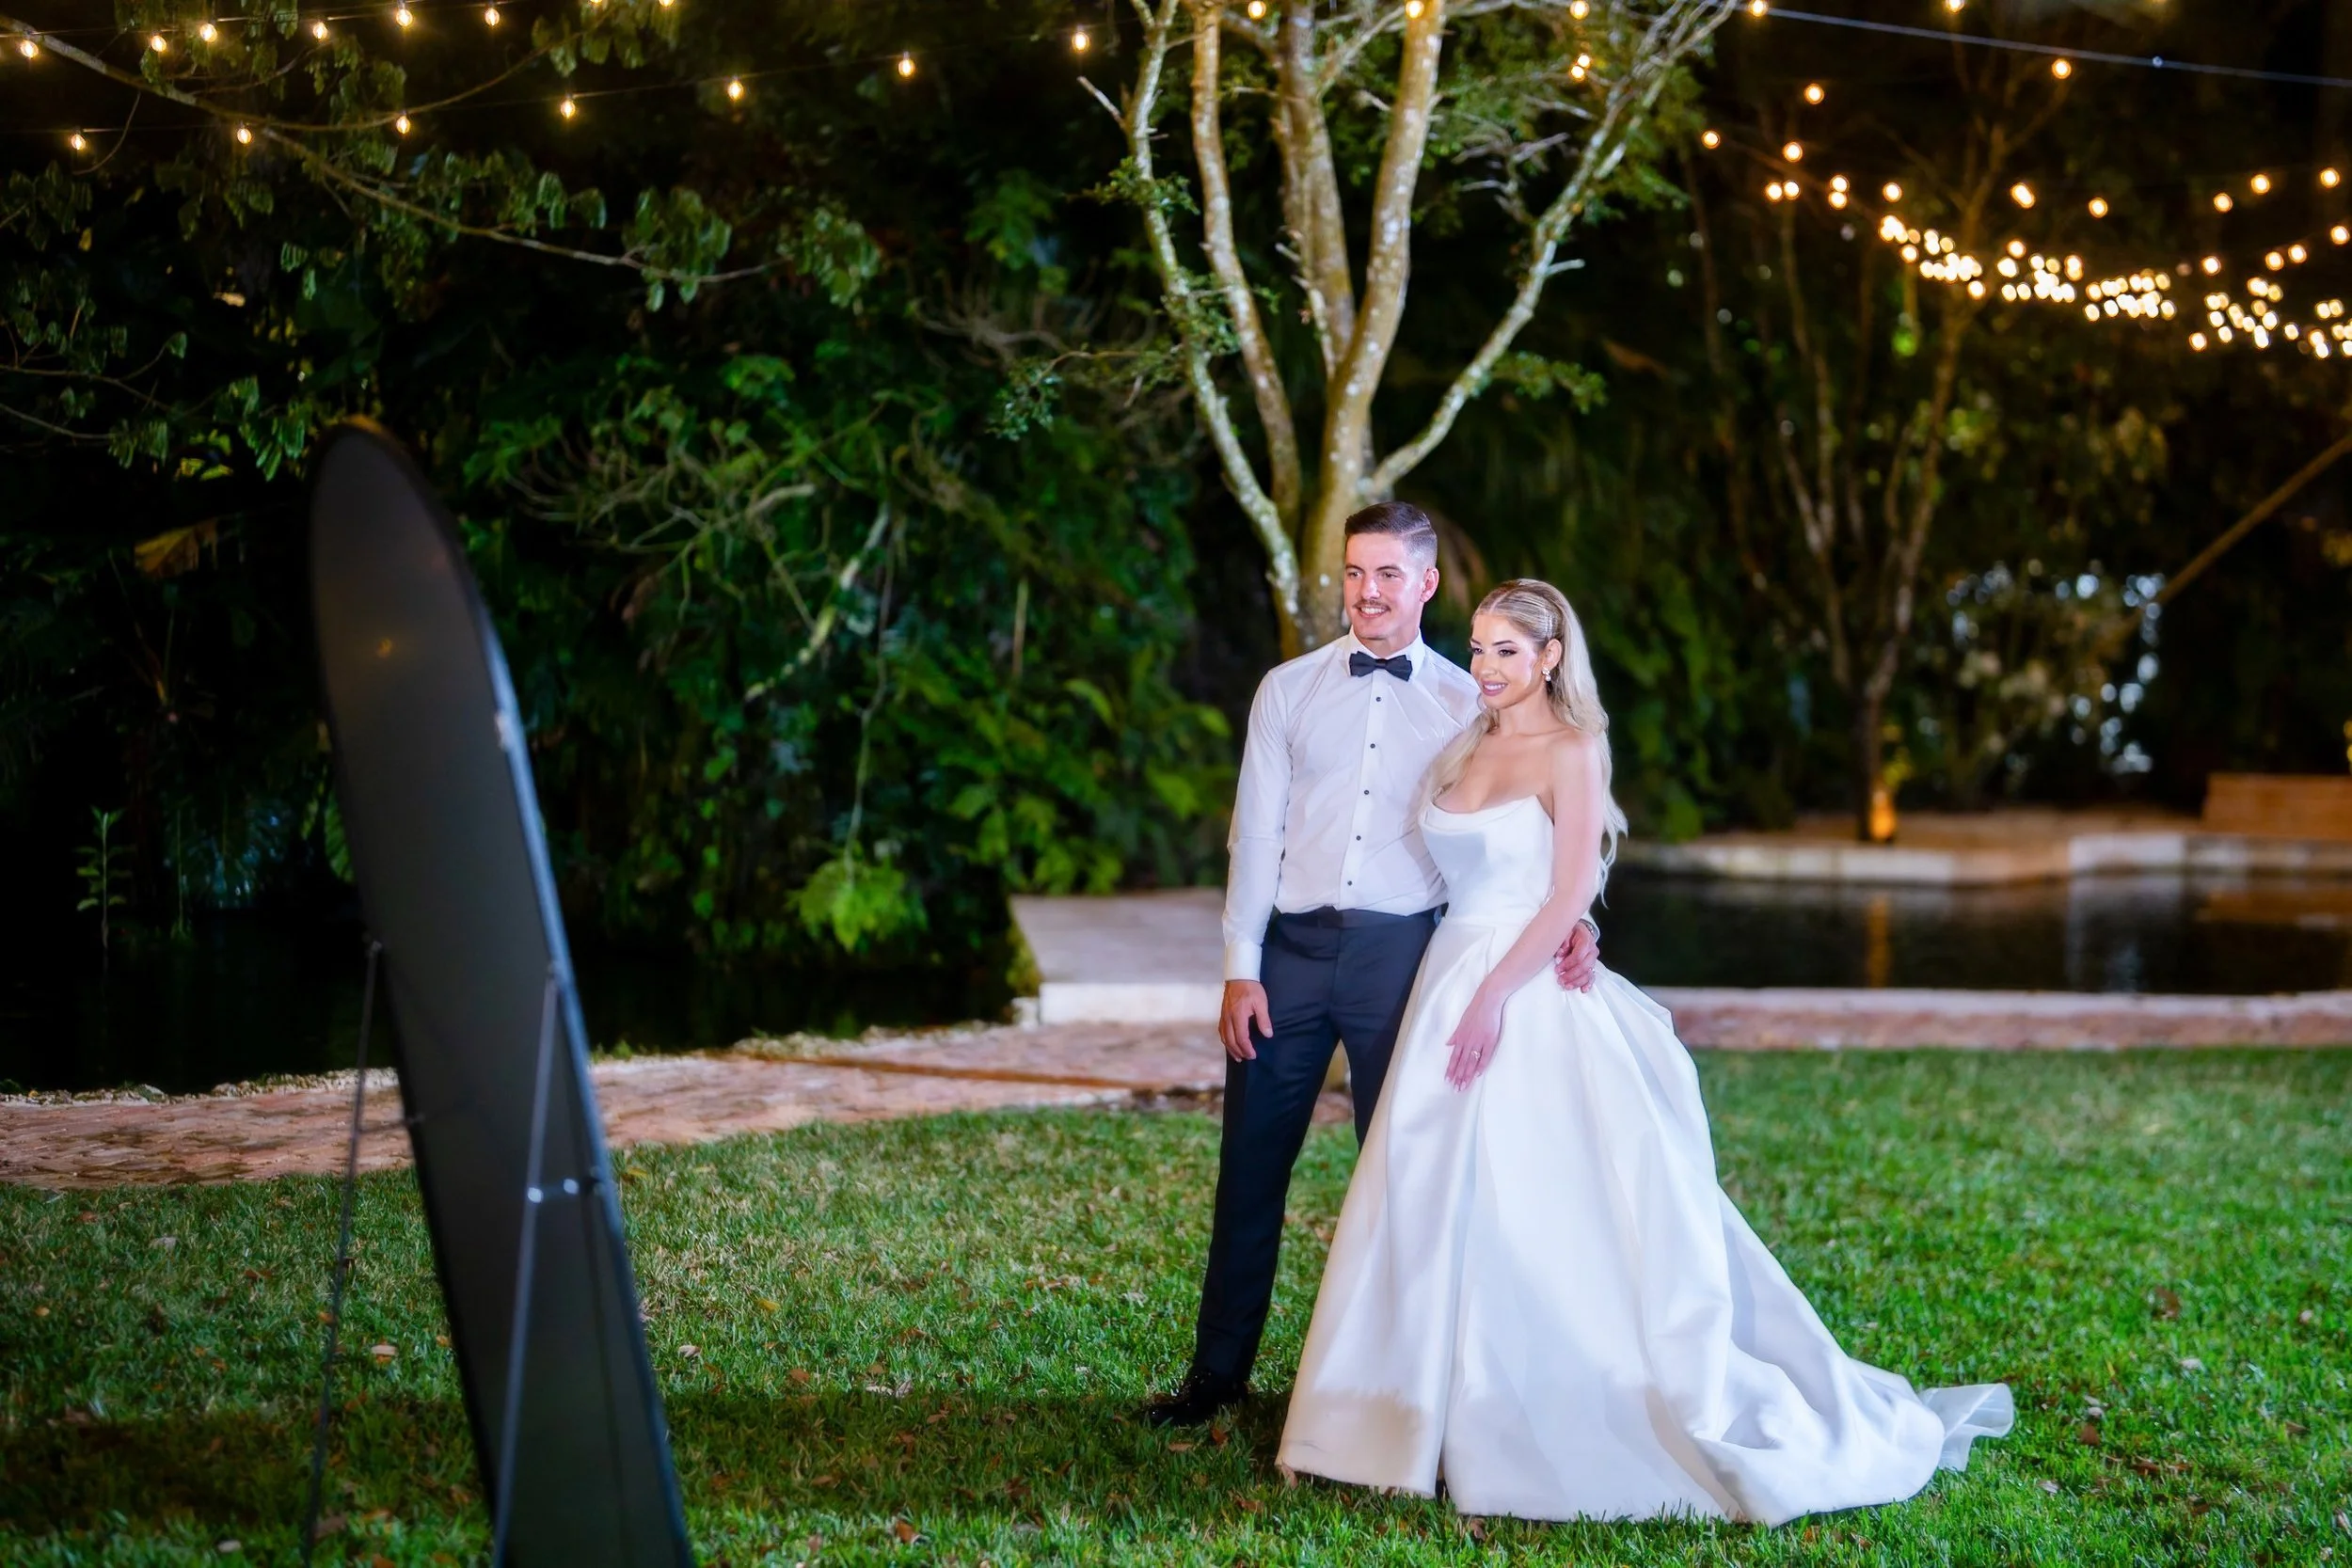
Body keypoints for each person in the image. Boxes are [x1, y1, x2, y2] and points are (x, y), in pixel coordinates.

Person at [1275, 578, 2012, 1523]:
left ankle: (1521, 1410)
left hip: (1519, 1000)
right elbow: (1434, 872)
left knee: (1535, 1209)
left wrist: (1504, 987)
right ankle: (1385, 1417)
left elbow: (1569, 877)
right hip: (1446, 982)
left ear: (1548, 656)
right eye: (1478, 646)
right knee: (1419, 1197)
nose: (1486, 665)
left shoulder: (1574, 748)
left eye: (1507, 648)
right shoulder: (1461, 742)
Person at [1142, 505, 1600, 1429]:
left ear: (1425, 584)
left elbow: (1550, 820)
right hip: (1289, 959)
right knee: (1247, 1174)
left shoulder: (1474, 700)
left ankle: (1399, 1389)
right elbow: (1255, 831)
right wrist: (1242, 963)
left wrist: (1577, 918)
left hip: (1406, 961)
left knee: (1403, 1175)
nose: (1368, 591)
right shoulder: (1286, 689)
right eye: (1355, 572)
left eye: (1388, 573)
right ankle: (1216, 1378)